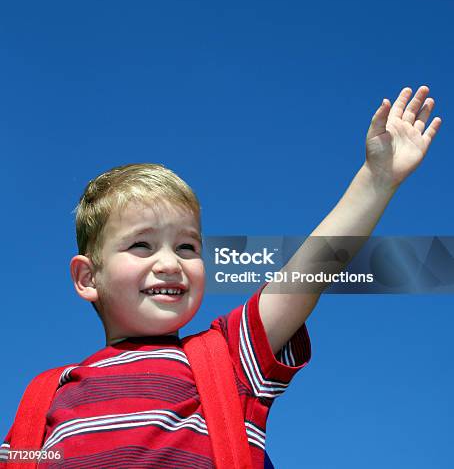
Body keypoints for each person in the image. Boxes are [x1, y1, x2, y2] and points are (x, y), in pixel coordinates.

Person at [0, 85, 442, 468]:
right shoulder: (44, 401)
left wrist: (376, 179)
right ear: (87, 277)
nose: (171, 263)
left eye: (187, 247)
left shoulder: (228, 359)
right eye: (142, 245)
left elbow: (306, 273)